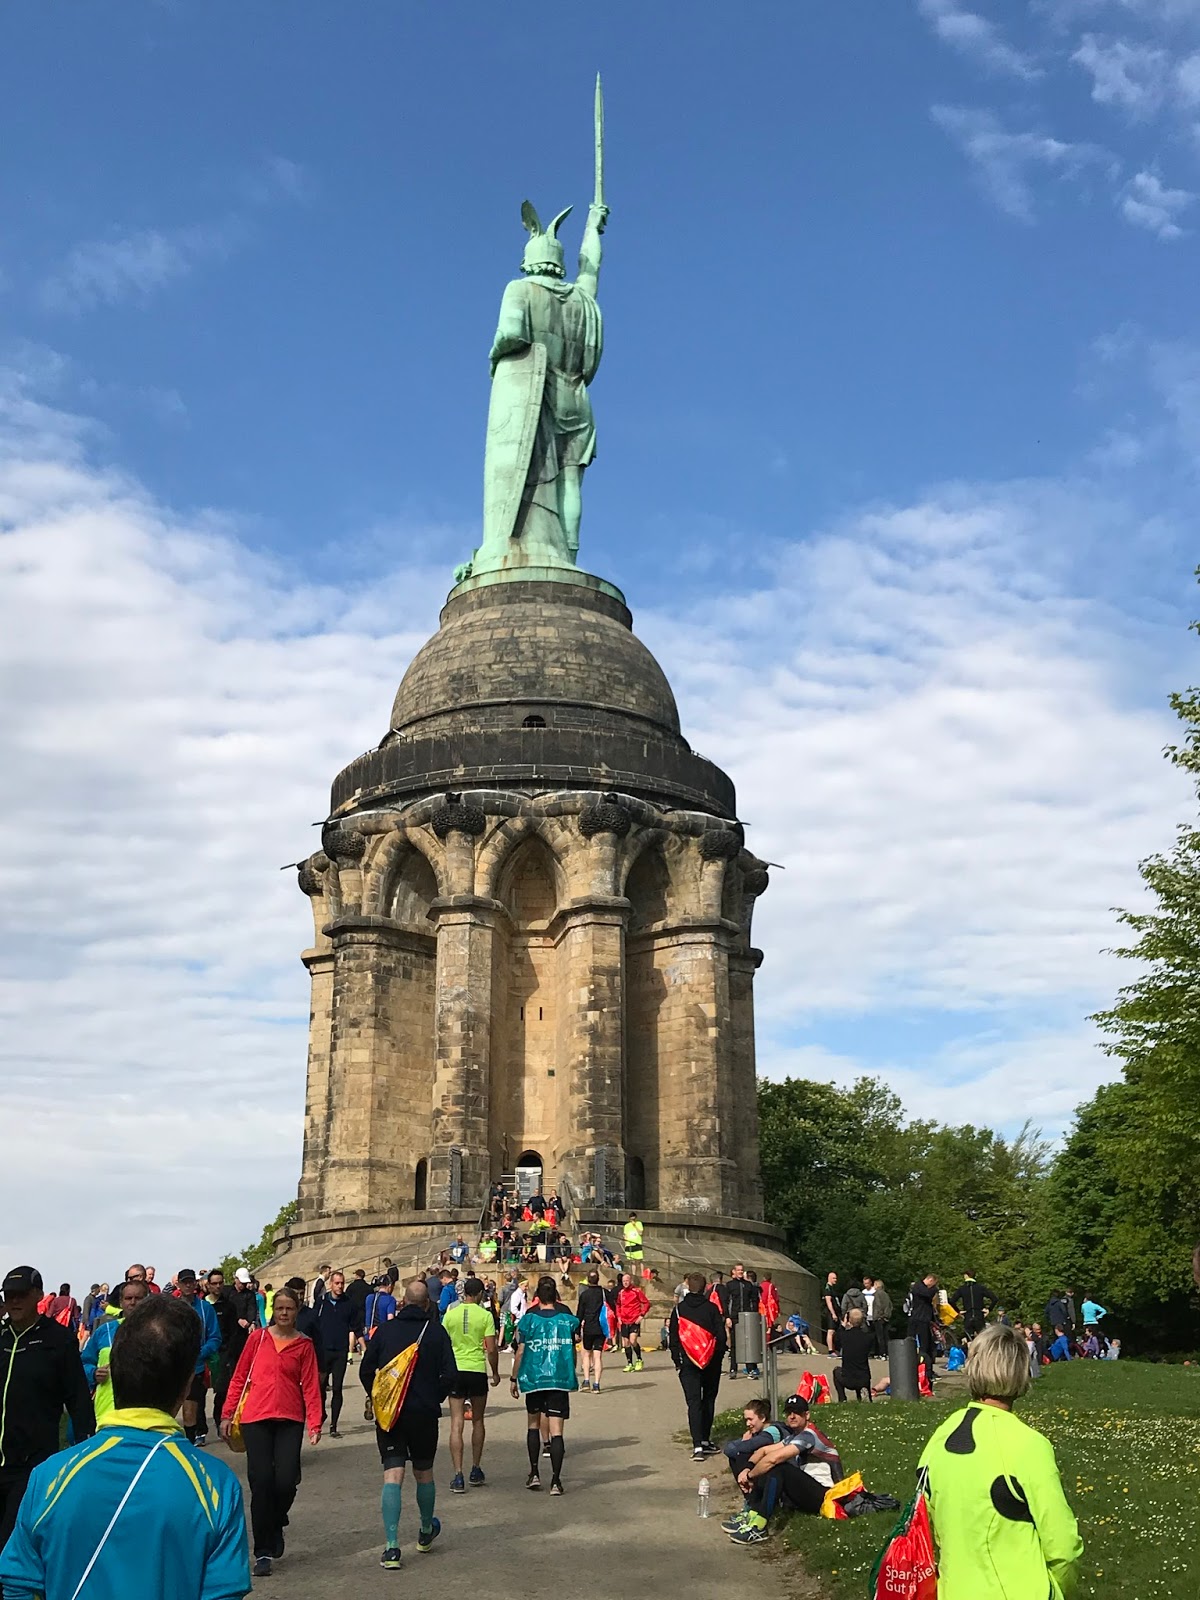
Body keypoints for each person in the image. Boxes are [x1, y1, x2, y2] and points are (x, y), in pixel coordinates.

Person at [0, 1294, 250, 1600]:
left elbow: (19, 1585)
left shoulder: (48, 1477)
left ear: (113, 1371)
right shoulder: (216, 1486)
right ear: (187, 1384)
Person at [918, 1322, 1083, 1599]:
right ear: (1021, 1372)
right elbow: (1064, 1547)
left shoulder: (941, 1436)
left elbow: (928, 1522)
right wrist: (1056, 1589)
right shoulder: (1028, 1445)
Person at [220, 1285, 321, 1579]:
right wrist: (227, 1414)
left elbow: (311, 1386)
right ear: (272, 1311)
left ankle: (277, 1519)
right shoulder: (258, 1338)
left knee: (287, 1480)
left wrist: (315, 1421)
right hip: (256, 1417)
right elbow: (240, 1377)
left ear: (297, 1311)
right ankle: (263, 1550)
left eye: (289, 1308)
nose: (284, 1313)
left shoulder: (304, 1345)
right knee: (261, 1481)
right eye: (279, 1308)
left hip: (290, 1417)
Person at [359, 1280, 456, 1569]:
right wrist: (433, 1396)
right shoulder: (437, 1333)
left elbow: (366, 1369)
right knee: (424, 1472)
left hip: (392, 1414)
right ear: (427, 1303)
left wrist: (379, 1397)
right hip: (424, 1413)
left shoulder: (386, 1331)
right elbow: (450, 1375)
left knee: (393, 1474)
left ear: (403, 1301)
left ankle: (391, 1548)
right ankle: (425, 1531)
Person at [0, 1266, 95, 1553]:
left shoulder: (58, 1340)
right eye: (8, 1295)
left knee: (10, 1542)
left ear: (38, 1295)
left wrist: (85, 1447)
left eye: (21, 1295)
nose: (14, 1301)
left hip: (32, 1463)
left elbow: (77, 1398)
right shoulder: (1, 1336)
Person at [726, 1394, 844, 1544]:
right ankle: (753, 1515)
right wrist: (748, 1468)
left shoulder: (809, 1435)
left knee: (779, 1468)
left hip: (827, 1495)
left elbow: (774, 1458)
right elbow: (763, 1452)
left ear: (807, 1415)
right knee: (760, 1464)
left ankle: (759, 1527)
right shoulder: (794, 1436)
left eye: (797, 1412)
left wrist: (750, 1476)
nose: (792, 1416)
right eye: (788, 1413)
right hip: (809, 1490)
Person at [510, 1275, 579, 1495]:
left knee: (533, 1424)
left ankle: (534, 1473)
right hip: (559, 1377)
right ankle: (556, 1481)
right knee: (557, 1431)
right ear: (555, 1294)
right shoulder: (567, 1317)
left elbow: (520, 1351)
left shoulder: (529, 1318)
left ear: (538, 1295)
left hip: (535, 1377)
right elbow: (573, 1347)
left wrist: (514, 1377)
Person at [442, 1278, 500, 1493]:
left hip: (456, 1369)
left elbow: (443, 1343)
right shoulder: (485, 1315)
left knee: (457, 1422)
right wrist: (494, 1372)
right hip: (476, 1369)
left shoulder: (450, 1314)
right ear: (479, 1294)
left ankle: (458, 1474)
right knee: (477, 1420)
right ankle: (475, 1468)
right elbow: (492, 1349)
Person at [668, 1272, 727, 1459]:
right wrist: (717, 1357)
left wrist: (677, 1361)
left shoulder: (678, 1310)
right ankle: (705, 1439)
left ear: (687, 1286)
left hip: (688, 1363)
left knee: (693, 1403)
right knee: (708, 1400)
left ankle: (697, 1446)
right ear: (705, 1288)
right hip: (710, 1362)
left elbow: (674, 1339)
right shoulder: (711, 1308)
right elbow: (721, 1336)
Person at [81, 1277, 151, 1423]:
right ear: (121, 1302)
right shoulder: (104, 1331)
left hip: (146, 1414)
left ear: (147, 1301)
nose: (133, 1302)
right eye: (128, 1298)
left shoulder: (157, 1333)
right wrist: (93, 1373)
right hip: (108, 1413)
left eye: (138, 1298)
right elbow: (83, 1363)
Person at [313, 1269, 362, 1438]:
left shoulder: (349, 1304)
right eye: (337, 1283)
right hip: (323, 1350)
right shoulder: (321, 1303)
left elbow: (356, 1327)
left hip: (340, 1350)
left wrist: (363, 1346)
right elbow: (314, 1325)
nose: (340, 1286)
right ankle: (320, 1416)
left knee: (338, 1388)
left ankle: (334, 1425)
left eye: (342, 1283)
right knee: (320, 1387)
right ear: (330, 1284)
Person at [176, 1270, 222, 1445]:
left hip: (196, 1367)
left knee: (190, 1410)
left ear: (195, 1284)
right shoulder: (172, 1308)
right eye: (184, 1282)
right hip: (174, 1368)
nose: (188, 1285)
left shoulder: (205, 1308)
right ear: (178, 1285)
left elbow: (215, 1337)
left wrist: (200, 1353)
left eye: (190, 1282)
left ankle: (190, 1443)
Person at [720, 1398, 785, 1493]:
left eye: (750, 1419)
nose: (747, 1423)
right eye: (746, 1420)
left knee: (741, 1455)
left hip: (778, 1473)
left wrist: (743, 1441)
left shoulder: (770, 1434)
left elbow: (734, 1449)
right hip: (769, 1471)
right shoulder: (759, 1432)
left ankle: (752, 1497)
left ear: (762, 1418)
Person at [724, 1263, 761, 1381]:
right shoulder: (729, 1285)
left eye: (742, 1270)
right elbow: (726, 1302)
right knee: (734, 1344)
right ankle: (733, 1369)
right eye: (738, 1270)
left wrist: (754, 1314)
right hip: (735, 1317)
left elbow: (754, 1300)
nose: (740, 1272)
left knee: (748, 1343)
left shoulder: (748, 1285)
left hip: (747, 1316)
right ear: (734, 1272)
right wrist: (727, 1317)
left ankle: (750, 1369)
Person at [575, 1269, 609, 1393]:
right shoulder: (604, 1293)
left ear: (588, 1280)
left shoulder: (585, 1295)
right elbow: (612, 1309)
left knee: (586, 1354)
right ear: (598, 1279)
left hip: (589, 1327)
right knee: (598, 1356)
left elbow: (580, 1314)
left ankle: (586, 1381)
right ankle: (596, 1384)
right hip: (601, 1327)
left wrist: (577, 1331)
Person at [831, 1307, 874, 1402]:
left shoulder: (844, 1336)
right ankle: (863, 1396)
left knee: (836, 1371)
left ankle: (842, 1398)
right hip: (864, 1378)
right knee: (861, 1368)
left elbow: (836, 1340)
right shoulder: (868, 1337)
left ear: (849, 1319)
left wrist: (843, 1325)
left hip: (848, 1379)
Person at [907, 1274, 939, 1388]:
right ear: (930, 1280)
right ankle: (922, 1368)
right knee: (922, 1346)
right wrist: (934, 1289)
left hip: (924, 1319)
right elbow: (928, 1294)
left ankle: (928, 1370)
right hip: (919, 1319)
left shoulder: (921, 1287)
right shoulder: (918, 1287)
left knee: (928, 1346)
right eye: (933, 1284)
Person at [614, 1272, 650, 1373]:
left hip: (634, 1319)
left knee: (633, 1340)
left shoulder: (636, 1291)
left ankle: (639, 1359)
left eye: (627, 1281)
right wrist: (619, 1317)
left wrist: (641, 1315)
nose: (625, 1283)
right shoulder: (621, 1293)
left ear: (631, 1281)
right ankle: (629, 1363)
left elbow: (646, 1303)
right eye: (624, 1281)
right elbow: (618, 1305)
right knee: (626, 1343)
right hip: (624, 1320)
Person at [949, 1272, 996, 1341]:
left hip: (968, 1315)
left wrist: (958, 1311)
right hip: (979, 1315)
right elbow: (994, 1299)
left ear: (966, 1276)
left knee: (968, 1339)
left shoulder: (962, 1289)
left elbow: (952, 1301)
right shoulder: (980, 1288)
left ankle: (970, 1350)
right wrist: (989, 1309)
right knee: (982, 1338)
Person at [868, 1277, 893, 1358]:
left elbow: (878, 1306)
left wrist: (878, 1316)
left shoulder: (877, 1294)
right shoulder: (886, 1294)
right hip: (886, 1318)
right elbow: (890, 1306)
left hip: (879, 1318)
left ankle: (882, 1353)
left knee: (880, 1337)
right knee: (886, 1336)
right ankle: (888, 1352)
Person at [821, 1271, 841, 1355]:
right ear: (829, 1278)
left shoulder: (833, 1288)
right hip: (830, 1313)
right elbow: (828, 1302)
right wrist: (833, 1313)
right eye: (834, 1278)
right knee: (830, 1331)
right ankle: (830, 1350)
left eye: (836, 1278)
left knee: (834, 1332)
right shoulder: (827, 1289)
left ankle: (834, 1349)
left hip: (836, 1312)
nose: (835, 1280)